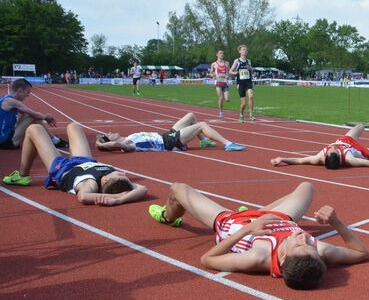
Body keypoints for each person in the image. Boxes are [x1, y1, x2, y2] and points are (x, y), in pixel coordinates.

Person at [148, 181, 369, 289]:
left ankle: (167, 216)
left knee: (177, 189)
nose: (304, 238)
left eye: (299, 244)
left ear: (283, 257)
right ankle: (258, 211)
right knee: (307, 187)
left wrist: (247, 229)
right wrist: (336, 222)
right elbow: (361, 253)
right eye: (309, 244)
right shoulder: (317, 253)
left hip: (233, 221)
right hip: (280, 218)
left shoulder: (257, 257)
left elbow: (207, 259)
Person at [2, 123, 147, 206]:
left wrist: (115, 200)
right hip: (84, 161)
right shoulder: (118, 181)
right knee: (74, 126)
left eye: (120, 174)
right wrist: (122, 197)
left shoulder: (90, 183)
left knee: (33, 129)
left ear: (105, 180)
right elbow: (143, 188)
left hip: (61, 168)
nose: (123, 173)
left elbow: (83, 197)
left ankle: (22, 175)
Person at [95, 112, 247, 152]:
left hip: (167, 136)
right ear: (111, 141)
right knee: (201, 125)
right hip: (168, 142)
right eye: (109, 135)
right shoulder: (128, 144)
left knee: (191, 116)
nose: (111, 132)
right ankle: (228, 144)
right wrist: (102, 145)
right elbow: (117, 146)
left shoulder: (128, 137)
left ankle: (204, 141)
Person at [270, 123, 369, 170]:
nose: (332, 147)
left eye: (331, 150)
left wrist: (282, 159)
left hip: (346, 140)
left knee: (360, 126)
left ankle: (360, 125)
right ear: (339, 156)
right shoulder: (350, 159)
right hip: (363, 152)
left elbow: (299, 160)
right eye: (334, 150)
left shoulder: (320, 157)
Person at [0, 78, 64, 150]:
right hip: (5, 141)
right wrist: (47, 117)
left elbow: (27, 113)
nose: (28, 95)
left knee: (29, 116)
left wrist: (43, 116)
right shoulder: (12, 102)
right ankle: (55, 140)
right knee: (32, 116)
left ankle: (53, 139)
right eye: (27, 92)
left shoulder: (4, 98)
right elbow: (33, 114)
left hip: (4, 136)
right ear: (20, 90)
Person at [230, 44, 255, 122]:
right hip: (240, 83)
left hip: (248, 82)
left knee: (251, 96)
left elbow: (252, 71)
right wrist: (235, 73)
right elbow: (230, 71)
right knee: (243, 103)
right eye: (243, 50)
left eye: (246, 50)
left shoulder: (248, 61)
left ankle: (251, 114)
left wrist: (250, 68)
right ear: (239, 51)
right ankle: (241, 115)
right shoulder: (237, 61)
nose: (245, 51)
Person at [209, 49, 231, 118]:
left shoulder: (227, 63)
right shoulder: (214, 64)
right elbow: (210, 73)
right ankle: (221, 112)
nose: (222, 54)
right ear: (217, 54)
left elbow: (229, 72)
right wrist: (213, 75)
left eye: (223, 53)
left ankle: (223, 98)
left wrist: (228, 75)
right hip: (218, 83)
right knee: (221, 97)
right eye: (220, 53)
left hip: (225, 83)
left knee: (227, 99)